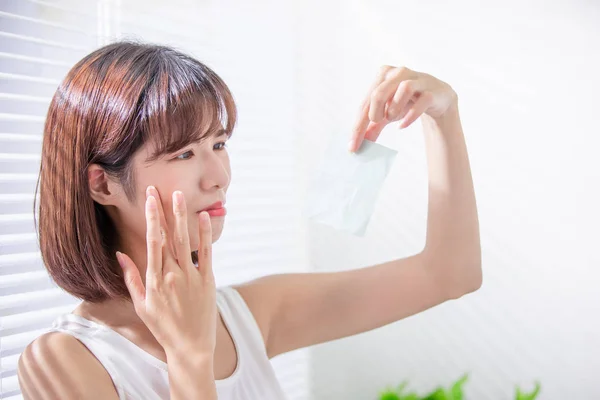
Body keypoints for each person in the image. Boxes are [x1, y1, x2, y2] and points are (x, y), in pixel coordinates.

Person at [17, 41, 482, 399]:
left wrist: (444, 115)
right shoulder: (64, 362)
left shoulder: (248, 316)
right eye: (184, 152)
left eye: (218, 144)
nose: (219, 177)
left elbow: (449, 275)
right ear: (102, 184)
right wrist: (189, 357)